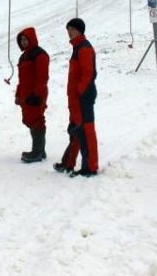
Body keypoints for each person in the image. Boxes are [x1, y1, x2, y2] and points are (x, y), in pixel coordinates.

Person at [54, 18, 99, 177]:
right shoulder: (77, 47)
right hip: (76, 99)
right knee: (75, 130)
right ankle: (68, 163)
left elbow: (89, 74)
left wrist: (80, 93)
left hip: (82, 98)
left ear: (80, 30)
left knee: (86, 131)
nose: (69, 32)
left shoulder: (84, 48)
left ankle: (90, 167)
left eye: (72, 29)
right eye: (68, 29)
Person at [15, 27, 49, 163]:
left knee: (37, 119)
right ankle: (40, 150)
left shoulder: (40, 54)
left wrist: (37, 94)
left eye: (25, 39)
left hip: (36, 94)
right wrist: (18, 94)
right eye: (21, 40)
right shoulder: (23, 57)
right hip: (25, 94)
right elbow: (21, 79)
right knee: (30, 119)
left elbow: (42, 77)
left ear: (32, 38)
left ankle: (37, 152)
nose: (23, 42)